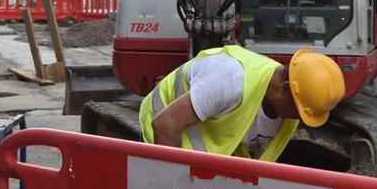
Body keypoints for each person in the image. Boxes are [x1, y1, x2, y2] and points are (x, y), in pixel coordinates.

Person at [139, 45, 345, 162]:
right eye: (300, 114)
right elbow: (165, 125)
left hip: (212, 149)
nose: (299, 120)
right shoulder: (229, 79)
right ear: (284, 89)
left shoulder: (292, 102)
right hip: (163, 128)